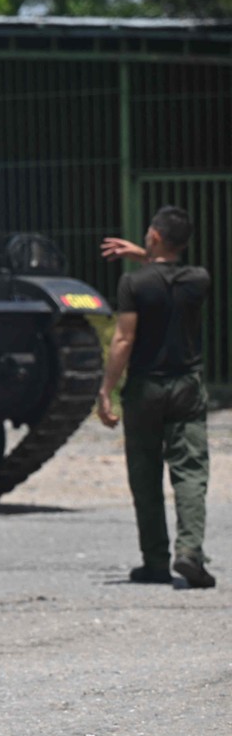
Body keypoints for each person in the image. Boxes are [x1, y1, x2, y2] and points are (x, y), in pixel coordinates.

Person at [98, 205, 214, 588]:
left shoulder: (134, 284)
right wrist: (145, 255)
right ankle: (190, 552)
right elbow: (170, 275)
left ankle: (155, 560)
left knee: (145, 475)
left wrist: (106, 391)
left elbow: (124, 339)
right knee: (190, 472)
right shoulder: (199, 279)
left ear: (156, 237)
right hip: (186, 386)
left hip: (145, 387)